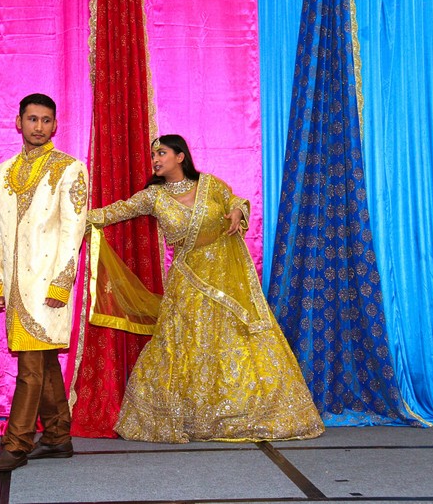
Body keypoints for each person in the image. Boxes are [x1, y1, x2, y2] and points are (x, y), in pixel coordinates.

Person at [86, 134, 324, 443]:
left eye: (162, 153)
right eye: (153, 155)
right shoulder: (154, 197)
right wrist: (73, 218)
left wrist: (237, 212)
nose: (155, 159)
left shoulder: (210, 185)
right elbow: (116, 211)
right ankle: (191, 418)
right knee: (186, 346)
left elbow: (235, 201)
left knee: (235, 343)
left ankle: (244, 413)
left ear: (180, 156)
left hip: (225, 280)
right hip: (187, 282)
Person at [0, 93, 88, 471]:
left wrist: (62, 281)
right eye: (32, 119)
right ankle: (58, 436)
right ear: (19, 122)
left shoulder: (69, 168)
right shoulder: (3, 171)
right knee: (42, 364)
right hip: (16, 286)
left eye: (46, 120)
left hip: (48, 285)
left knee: (30, 367)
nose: (39, 127)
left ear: (55, 125)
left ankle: (16, 444)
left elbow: (74, 230)